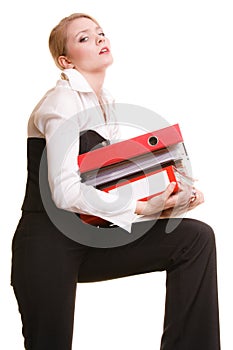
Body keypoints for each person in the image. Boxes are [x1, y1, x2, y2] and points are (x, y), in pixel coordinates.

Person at [11, 13, 221, 350]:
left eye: (100, 33)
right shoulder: (61, 101)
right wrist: (139, 205)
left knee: (194, 239)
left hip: (91, 236)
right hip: (46, 244)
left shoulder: (104, 103)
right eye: (83, 38)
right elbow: (65, 192)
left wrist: (168, 202)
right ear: (65, 61)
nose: (98, 39)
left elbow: (106, 191)